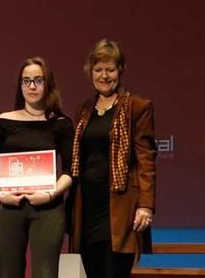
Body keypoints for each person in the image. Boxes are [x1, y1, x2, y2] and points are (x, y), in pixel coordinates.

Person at [69, 39, 156, 278]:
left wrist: (146, 205)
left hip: (120, 208)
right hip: (87, 207)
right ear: (90, 72)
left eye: (110, 69)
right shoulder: (84, 109)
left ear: (120, 70)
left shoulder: (137, 107)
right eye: (98, 70)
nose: (104, 76)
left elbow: (146, 158)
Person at [0, 57, 74, 278]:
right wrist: (0, 194)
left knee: (45, 273)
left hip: (48, 209)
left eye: (38, 80)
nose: (31, 86)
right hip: (8, 207)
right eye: (26, 81)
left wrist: (50, 194)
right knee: (8, 273)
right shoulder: (4, 120)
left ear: (48, 84)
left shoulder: (61, 123)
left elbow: (71, 170)